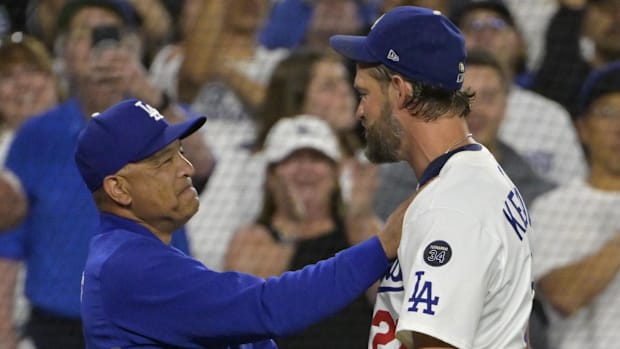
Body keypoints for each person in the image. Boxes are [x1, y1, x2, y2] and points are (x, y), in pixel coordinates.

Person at [76, 98, 409, 348]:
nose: (186, 167)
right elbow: (267, 307)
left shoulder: (137, 254)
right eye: (164, 161)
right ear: (118, 189)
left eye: (180, 152)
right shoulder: (129, 266)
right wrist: (381, 247)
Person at [0, 1, 213, 348]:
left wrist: (148, 92)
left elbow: (204, 164)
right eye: (86, 33)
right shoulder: (35, 135)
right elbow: (6, 243)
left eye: (112, 34)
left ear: (134, 48)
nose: (101, 46)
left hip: (156, 320)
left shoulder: (163, 119)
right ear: (63, 55)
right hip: (61, 328)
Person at [330, 6, 534, 348]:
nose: (358, 111)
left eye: (364, 94)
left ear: (399, 90)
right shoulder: (478, 171)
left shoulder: (451, 207)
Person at [225, 115, 380, 349]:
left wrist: (360, 217)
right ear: (271, 176)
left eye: (317, 158)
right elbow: (247, 317)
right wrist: (292, 227)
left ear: (336, 174)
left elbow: (390, 300)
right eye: (292, 159)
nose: (305, 168)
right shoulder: (251, 239)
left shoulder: (360, 231)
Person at [532, 61, 620, 349]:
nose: (619, 128)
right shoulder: (551, 208)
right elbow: (564, 297)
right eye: (608, 113)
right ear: (582, 128)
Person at [451, 0, 587, 185]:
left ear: (520, 42)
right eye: (472, 25)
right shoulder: (435, 108)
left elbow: (571, 190)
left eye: (497, 25)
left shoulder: (550, 116)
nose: (484, 33)